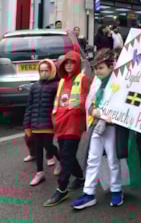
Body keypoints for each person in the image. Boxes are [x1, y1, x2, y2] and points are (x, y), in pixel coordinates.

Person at [71, 49, 123, 209]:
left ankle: (116, 190)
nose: (97, 71)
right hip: (97, 125)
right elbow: (91, 103)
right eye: (96, 68)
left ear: (110, 67)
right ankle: (89, 193)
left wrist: (110, 116)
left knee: (113, 160)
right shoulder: (96, 83)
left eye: (101, 68)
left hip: (112, 127)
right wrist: (95, 112)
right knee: (92, 159)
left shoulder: (120, 83)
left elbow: (123, 105)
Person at [44, 51, 89, 207]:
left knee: (66, 156)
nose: (69, 65)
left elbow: (86, 101)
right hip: (62, 124)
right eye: (66, 63)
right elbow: (58, 102)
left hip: (74, 124)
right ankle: (80, 177)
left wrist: (74, 110)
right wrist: (55, 117)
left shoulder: (82, 79)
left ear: (77, 64)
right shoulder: (62, 81)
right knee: (65, 155)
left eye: (72, 62)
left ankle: (62, 188)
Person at [23, 59, 61, 186]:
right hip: (35, 123)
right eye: (41, 70)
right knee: (38, 147)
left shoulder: (56, 86)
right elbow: (29, 106)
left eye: (46, 70)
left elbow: (58, 105)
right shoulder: (34, 87)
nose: (44, 73)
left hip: (49, 122)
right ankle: (40, 172)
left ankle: (62, 161)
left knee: (48, 145)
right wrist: (26, 124)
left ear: (51, 71)